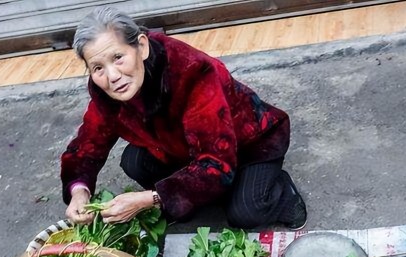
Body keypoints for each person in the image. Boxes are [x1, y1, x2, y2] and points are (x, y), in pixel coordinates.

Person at [61, 6, 307, 229]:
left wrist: (153, 198)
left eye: (118, 58)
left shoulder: (192, 72)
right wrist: (79, 191)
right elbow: (87, 146)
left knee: (245, 212)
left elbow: (217, 163)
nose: (112, 76)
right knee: (134, 161)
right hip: (185, 146)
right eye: (98, 68)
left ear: (142, 46)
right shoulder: (106, 91)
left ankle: (281, 193)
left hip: (248, 145)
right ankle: (199, 192)